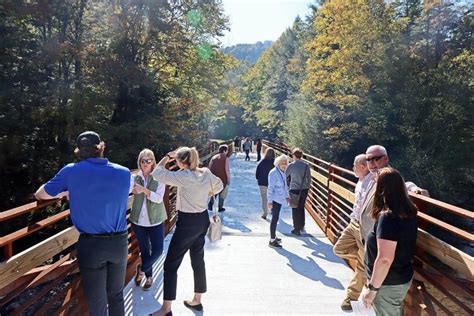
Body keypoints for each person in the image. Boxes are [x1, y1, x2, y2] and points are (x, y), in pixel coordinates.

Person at [35, 131, 131, 316]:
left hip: (92, 245)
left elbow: (41, 194)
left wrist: (67, 191)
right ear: (101, 148)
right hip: (119, 242)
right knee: (116, 295)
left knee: (97, 302)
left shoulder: (71, 171)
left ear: (79, 151)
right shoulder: (124, 172)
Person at [150, 147, 223, 316]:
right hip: (202, 220)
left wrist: (168, 155)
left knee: (170, 265)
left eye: (177, 161)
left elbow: (156, 172)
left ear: (182, 162)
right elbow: (219, 185)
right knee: (198, 260)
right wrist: (205, 193)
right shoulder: (204, 172)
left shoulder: (183, 176)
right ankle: (197, 300)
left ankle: (166, 309)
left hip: (187, 223)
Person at [361, 167, 418, 315]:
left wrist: (372, 290)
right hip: (398, 278)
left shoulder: (388, 217)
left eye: (375, 183)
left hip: (387, 284)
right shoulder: (408, 210)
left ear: (382, 188)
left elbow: (385, 259)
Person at [333, 154, 372, 310]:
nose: (352, 168)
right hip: (353, 223)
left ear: (363, 166)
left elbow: (398, 183)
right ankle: (367, 262)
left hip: (364, 228)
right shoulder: (360, 179)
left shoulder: (375, 180)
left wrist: (414, 188)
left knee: (361, 268)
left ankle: (350, 298)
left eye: (354, 165)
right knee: (338, 249)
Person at [131, 149, 167, 290]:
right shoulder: (134, 177)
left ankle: (141, 270)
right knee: (145, 250)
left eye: (148, 160)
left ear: (153, 162)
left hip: (155, 220)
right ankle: (149, 277)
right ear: (139, 162)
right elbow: (124, 189)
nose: (145, 163)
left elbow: (158, 199)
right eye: (142, 161)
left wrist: (144, 190)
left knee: (158, 250)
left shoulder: (158, 177)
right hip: (138, 221)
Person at [285, 148, 311, 236]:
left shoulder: (291, 165)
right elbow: (309, 178)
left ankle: (296, 229)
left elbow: (285, 175)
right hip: (304, 189)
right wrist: (307, 187)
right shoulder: (306, 166)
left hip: (294, 189)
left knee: (295, 208)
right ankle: (302, 225)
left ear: (294, 155)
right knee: (301, 207)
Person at [267, 154, 290, 248]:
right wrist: (269, 201)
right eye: (282, 163)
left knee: (276, 218)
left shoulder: (282, 171)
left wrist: (287, 196)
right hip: (275, 199)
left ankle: (274, 236)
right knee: (274, 219)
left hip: (280, 198)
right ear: (278, 163)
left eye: (285, 163)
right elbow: (270, 188)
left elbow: (285, 186)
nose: (284, 165)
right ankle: (272, 240)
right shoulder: (273, 173)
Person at [208, 145, 231, 212]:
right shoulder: (225, 158)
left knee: (214, 192)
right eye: (227, 150)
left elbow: (209, 166)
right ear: (224, 150)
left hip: (214, 177)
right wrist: (229, 179)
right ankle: (220, 207)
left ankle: (210, 204)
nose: (227, 152)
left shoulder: (213, 157)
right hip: (222, 178)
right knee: (222, 193)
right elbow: (227, 169)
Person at [255, 148, 275, 219]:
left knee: (264, 198)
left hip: (262, 183)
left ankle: (265, 213)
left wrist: (258, 178)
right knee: (273, 197)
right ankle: (273, 210)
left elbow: (257, 172)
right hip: (272, 183)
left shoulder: (262, 162)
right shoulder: (275, 163)